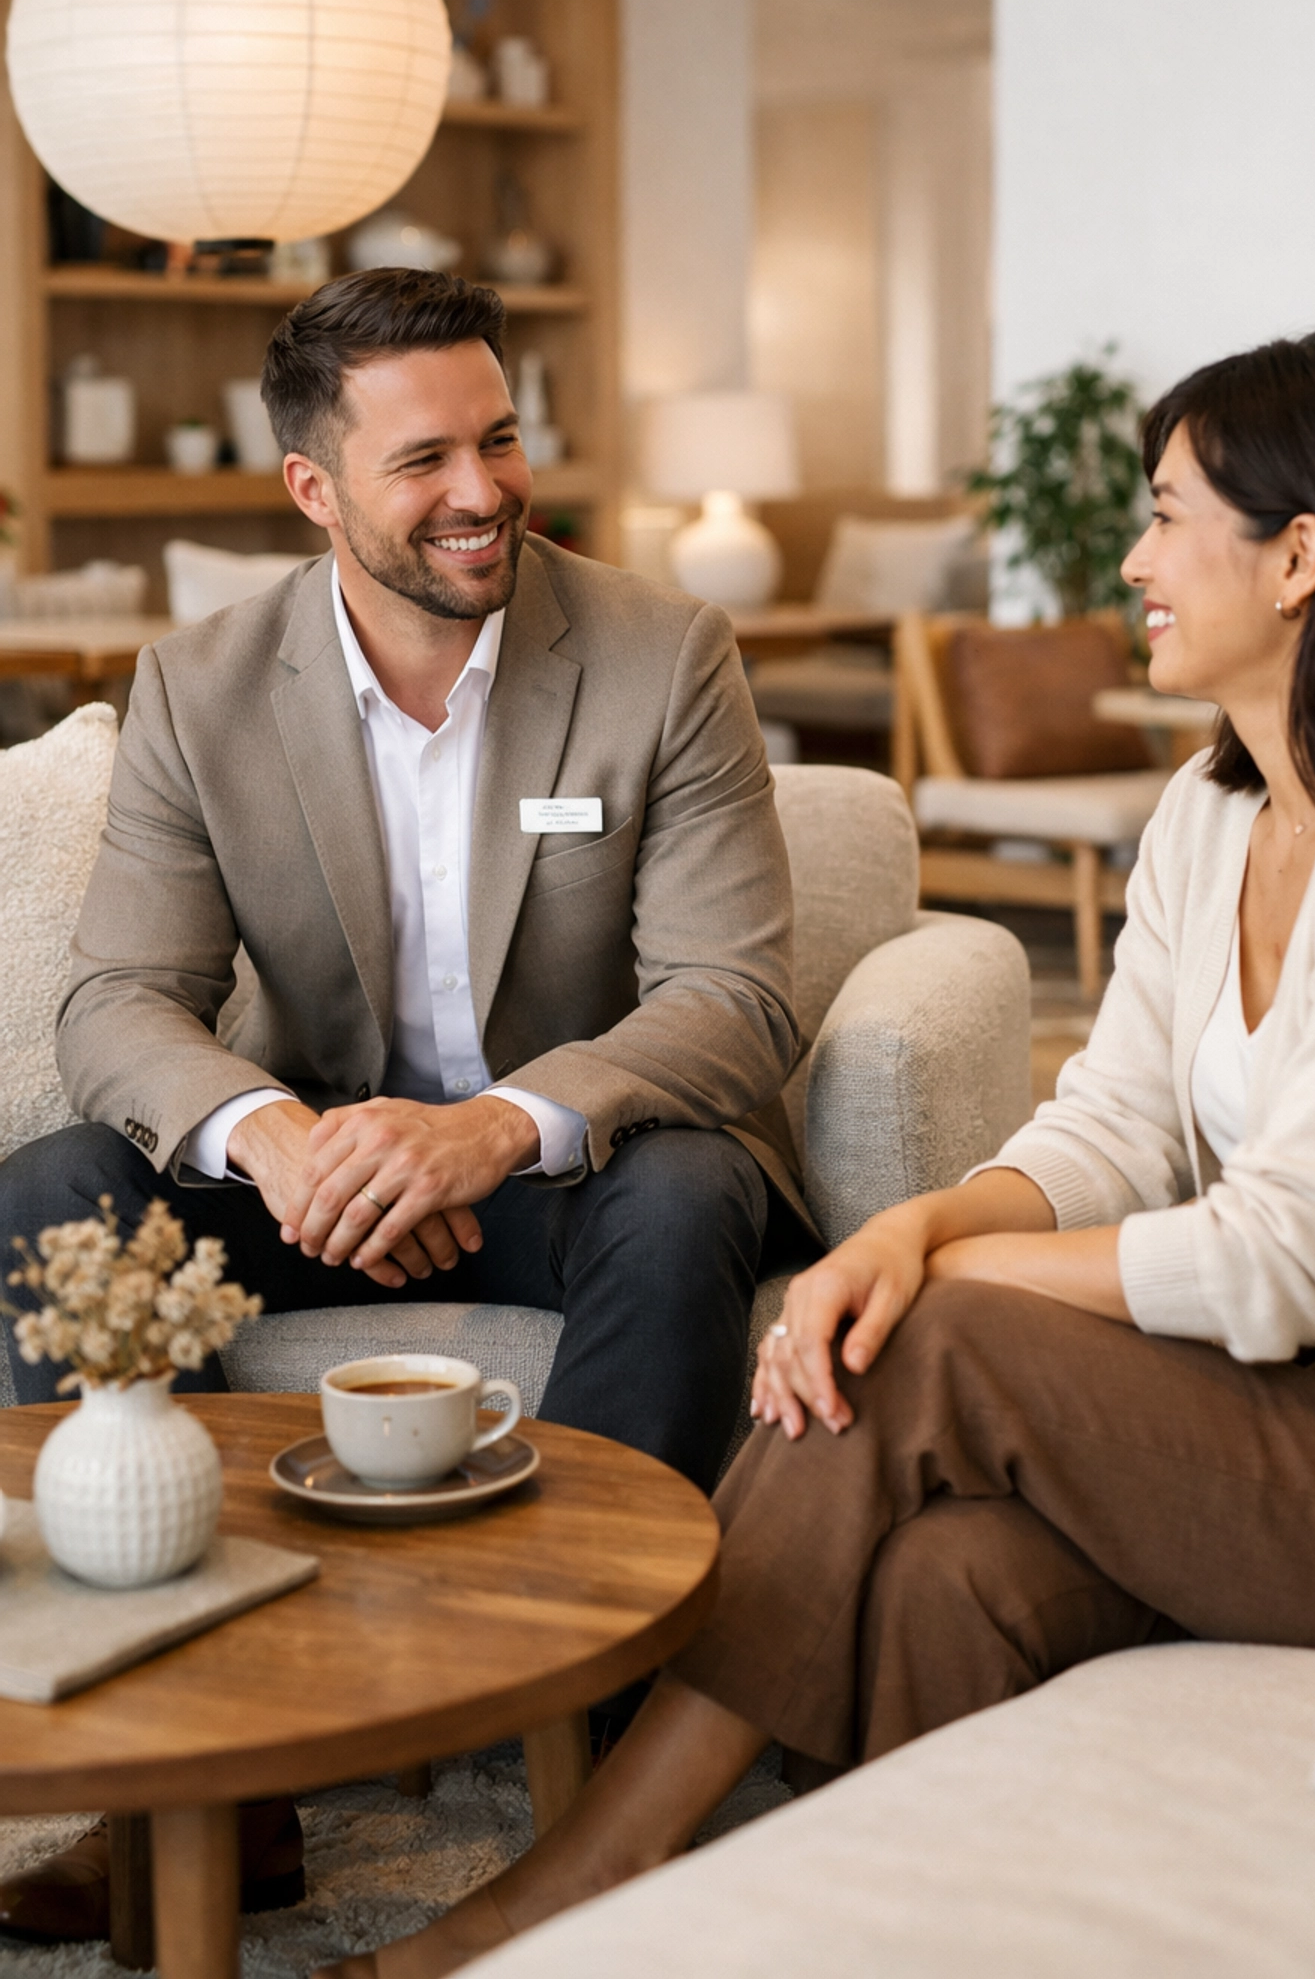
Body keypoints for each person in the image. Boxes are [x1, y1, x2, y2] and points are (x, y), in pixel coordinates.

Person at [323, 326, 1315, 1979]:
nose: (1132, 561)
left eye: (1170, 515)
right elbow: (1107, 1123)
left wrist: (926, 1255)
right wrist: (929, 1222)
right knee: (948, 1579)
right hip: (1297, 1421)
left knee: (941, 1330)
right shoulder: (1218, 809)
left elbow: (1295, 1258)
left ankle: (582, 1877)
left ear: (1304, 555)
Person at [0, 266, 808, 1946]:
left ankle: (595, 1740)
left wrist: (494, 1126)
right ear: (314, 490)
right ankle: (220, 1774)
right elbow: (116, 1000)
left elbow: (733, 1002)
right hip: (308, 1178)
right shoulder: (201, 684)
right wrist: (280, 1140)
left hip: (572, 1170)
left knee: (689, 1190)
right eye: (425, 458)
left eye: (500, 439)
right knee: (55, 1186)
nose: (482, 490)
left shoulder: (666, 656)